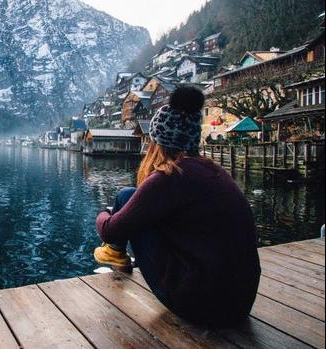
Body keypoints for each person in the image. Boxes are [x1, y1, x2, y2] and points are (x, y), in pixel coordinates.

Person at [94, 85, 261, 326]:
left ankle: (115, 252)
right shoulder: (214, 172)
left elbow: (109, 229)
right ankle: (116, 252)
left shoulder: (168, 177)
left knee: (127, 205)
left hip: (200, 305)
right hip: (240, 302)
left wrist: (104, 213)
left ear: (157, 142)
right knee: (130, 195)